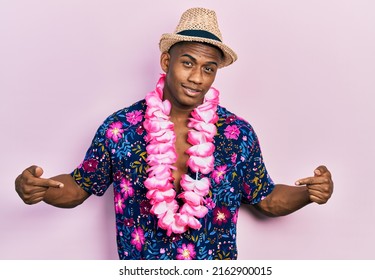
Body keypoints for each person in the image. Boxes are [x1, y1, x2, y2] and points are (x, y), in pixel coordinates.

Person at [15, 7, 333, 260]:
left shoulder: (238, 134)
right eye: (188, 63)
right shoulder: (120, 128)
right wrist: (41, 189)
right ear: (167, 61)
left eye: (208, 68)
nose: (197, 77)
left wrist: (309, 194)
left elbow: (266, 199)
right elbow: (80, 185)